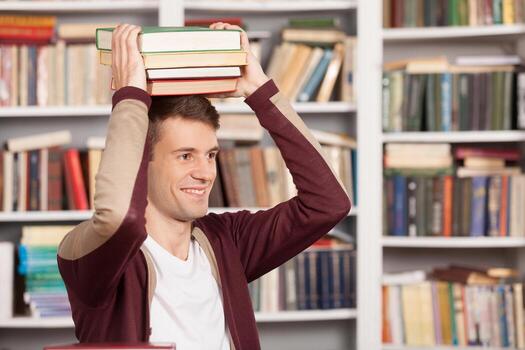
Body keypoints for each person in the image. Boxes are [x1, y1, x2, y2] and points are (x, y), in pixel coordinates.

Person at [57, 22, 351, 350]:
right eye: (185, 156)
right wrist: (131, 97)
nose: (205, 173)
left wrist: (258, 89)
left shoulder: (227, 241)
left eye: (210, 155)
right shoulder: (95, 255)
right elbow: (118, 219)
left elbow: (328, 203)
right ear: (143, 161)